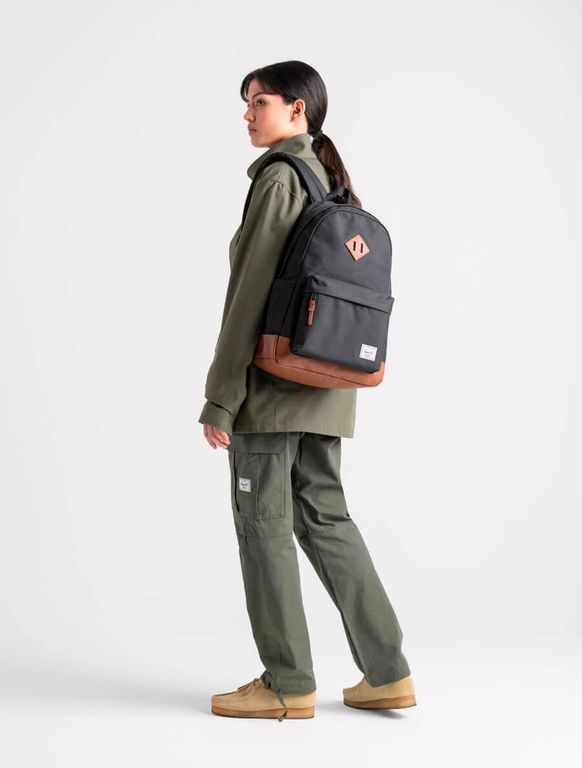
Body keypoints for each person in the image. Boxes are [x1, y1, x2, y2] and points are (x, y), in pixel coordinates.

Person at [198, 60, 416, 721]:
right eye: (246, 103)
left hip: (273, 386)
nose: (247, 114)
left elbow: (249, 295)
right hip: (329, 382)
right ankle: (388, 672)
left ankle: (287, 684)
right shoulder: (329, 176)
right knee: (325, 517)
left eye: (259, 101)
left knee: (262, 523)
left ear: (298, 109)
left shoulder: (279, 178)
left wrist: (222, 395)